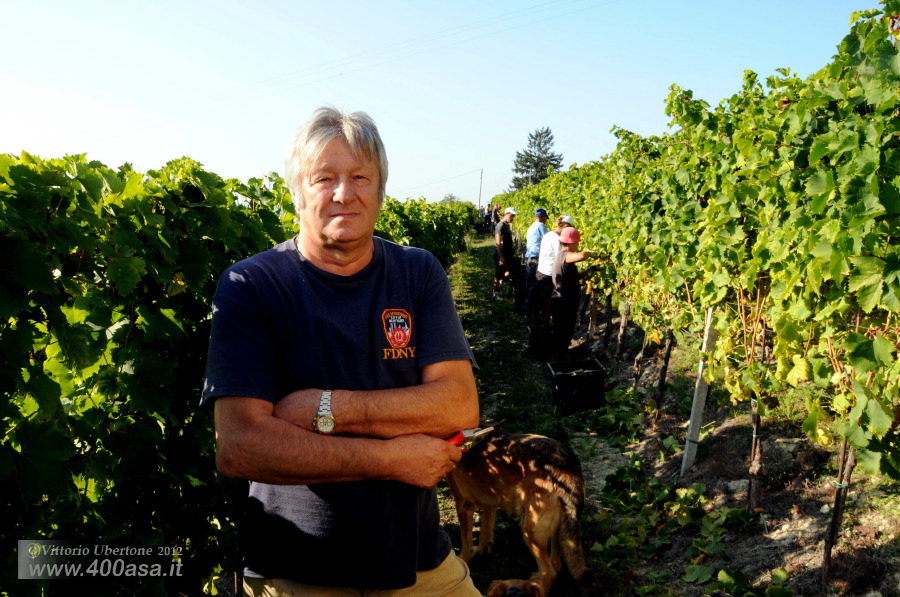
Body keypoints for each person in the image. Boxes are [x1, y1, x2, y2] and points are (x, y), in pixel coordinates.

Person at [201, 106, 481, 596]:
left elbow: (458, 405)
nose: (343, 194)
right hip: (296, 574)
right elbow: (241, 445)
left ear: (380, 189)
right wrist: (391, 459)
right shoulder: (252, 285)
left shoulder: (418, 272)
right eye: (323, 178)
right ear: (296, 191)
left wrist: (324, 409)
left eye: (360, 177)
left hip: (422, 563)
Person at [550, 226, 595, 361]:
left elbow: (572, 278)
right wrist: (590, 253)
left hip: (564, 300)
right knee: (563, 331)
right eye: (577, 242)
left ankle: (561, 355)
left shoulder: (564, 258)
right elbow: (581, 256)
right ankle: (559, 358)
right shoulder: (564, 255)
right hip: (563, 301)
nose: (578, 244)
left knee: (565, 330)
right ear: (570, 243)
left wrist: (588, 271)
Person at [533, 215, 574, 325]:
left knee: (543, 302)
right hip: (550, 274)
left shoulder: (548, 234)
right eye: (568, 227)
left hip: (541, 272)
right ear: (563, 225)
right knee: (548, 303)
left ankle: (541, 324)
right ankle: (545, 328)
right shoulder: (557, 239)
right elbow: (562, 258)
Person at [492, 207, 523, 312]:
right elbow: (498, 243)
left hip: (507, 255)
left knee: (510, 272)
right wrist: (501, 256)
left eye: (513, 216)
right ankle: (495, 294)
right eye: (512, 215)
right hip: (502, 255)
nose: (513, 217)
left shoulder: (506, 225)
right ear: (506, 214)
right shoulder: (500, 226)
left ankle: (500, 284)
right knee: (499, 273)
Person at [524, 208, 548, 323]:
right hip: (535, 259)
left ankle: (528, 310)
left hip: (529, 258)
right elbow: (548, 240)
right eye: (545, 218)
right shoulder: (541, 226)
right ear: (542, 217)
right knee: (535, 285)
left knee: (530, 284)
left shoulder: (532, 226)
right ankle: (532, 313)